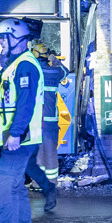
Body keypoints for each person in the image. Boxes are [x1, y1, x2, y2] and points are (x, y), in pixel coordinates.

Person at [0, 18, 45, 223]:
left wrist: (16, 133)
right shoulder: (15, 65)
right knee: (17, 190)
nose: (0, 42)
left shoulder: (25, 66)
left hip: (19, 140)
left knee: (5, 189)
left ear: (17, 38)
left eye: (3, 37)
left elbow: (25, 102)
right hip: (15, 139)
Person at [24, 40, 68, 211]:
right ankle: (51, 182)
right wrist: (55, 59)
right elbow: (65, 72)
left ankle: (37, 182)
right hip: (51, 119)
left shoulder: (33, 70)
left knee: (37, 151)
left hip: (36, 119)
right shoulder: (54, 71)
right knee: (51, 151)